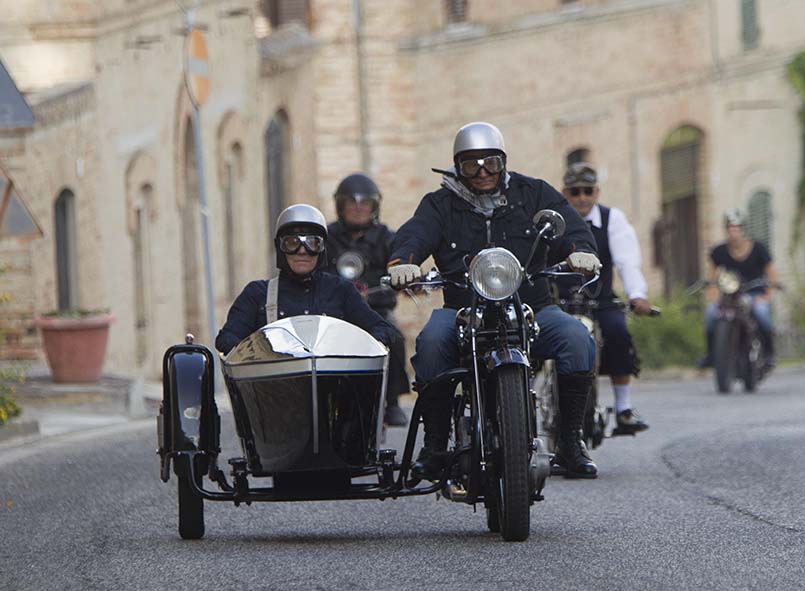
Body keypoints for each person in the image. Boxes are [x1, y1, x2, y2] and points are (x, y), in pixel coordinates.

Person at [388, 122, 603, 479]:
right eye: (472, 164)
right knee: (430, 343)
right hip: (461, 309)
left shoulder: (534, 194)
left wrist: (581, 252)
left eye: (491, 162)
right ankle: (436, 444)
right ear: (458, 165)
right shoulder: (440, 204)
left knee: (577, 338)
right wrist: (404, 262)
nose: (483, 172)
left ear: (503, 161)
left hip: (531, 305)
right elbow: (416, 233)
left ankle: (569, 441)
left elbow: (572, 227)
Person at [216, 203, 400, 358]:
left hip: (335, 389)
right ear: (280, 248)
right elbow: (227, 338)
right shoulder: (257, 294)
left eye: (312, 243)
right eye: (292, 243)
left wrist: (362, 346)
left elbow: (382, 329)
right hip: (275, 392)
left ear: (322, 249)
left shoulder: (341, 290)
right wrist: (258, 353)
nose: (302, 251)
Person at [558, 163, 651, 434]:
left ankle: (623, 408)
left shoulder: (613, 219)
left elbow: (627, 261)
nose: (582, 197)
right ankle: (526, 404)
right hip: (561, 302)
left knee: (618, 332)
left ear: (597, 192)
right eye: (575, 192)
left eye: (588, 191)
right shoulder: (554, 221)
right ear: (565, 193)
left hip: (600, 299)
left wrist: (637, 295)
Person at [323, 173, 411, 427]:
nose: (358, 207)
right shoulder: (327, 237)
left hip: (375, 311)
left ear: (375, 207)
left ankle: (392, 401)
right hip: (336, 313)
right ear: (341, 205)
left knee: (393, 335)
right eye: (351, 201)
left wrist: (404, 276)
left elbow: (400, 265)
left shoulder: (386, 237)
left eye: (365, 202)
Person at [700, 208, 777, 368]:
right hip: (729, 296)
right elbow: (711, 276)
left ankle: (770, 353)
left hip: (754, 294)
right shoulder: (719, 251)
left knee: (762, 313)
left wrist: (767, 295)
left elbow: (771, 273)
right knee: (710, 313)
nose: (733, 232)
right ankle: (711, 354)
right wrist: (712, 294)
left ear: (743, 229)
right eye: (730, 228)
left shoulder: (758, 249)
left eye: (737, 228)